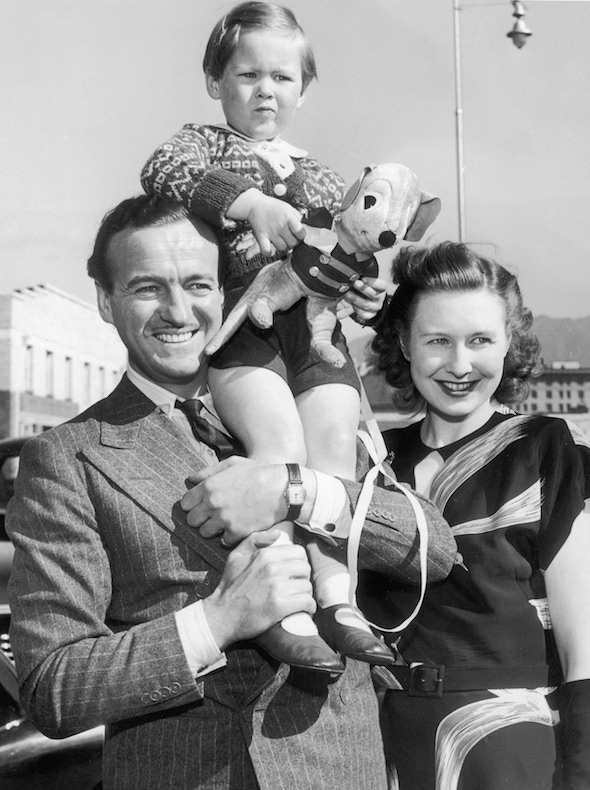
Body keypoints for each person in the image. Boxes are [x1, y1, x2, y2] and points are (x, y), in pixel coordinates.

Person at [6, 195, 457, 790]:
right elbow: (52, 687)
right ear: (104, 301)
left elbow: (433, 550)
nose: (177, 310)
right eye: (146, 288)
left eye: (197, 284)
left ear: (227, 292)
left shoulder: (314, 402)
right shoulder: (66, 458)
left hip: (337, 780)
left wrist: (296, 491)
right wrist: (219, 620)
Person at [140, 1, 416, 668]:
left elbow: (349, 253)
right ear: (215, 81)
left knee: (329, 456)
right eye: (247, 74)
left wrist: (370, 296)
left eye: (283, 78)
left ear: (304, 86)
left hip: (317, 335)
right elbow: (161, 170)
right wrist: (252, 204)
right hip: (246, 327)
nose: (266, 90)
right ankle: (283, 601)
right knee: (277, 450)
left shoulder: (324, 177)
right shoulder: (203, 146)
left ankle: (336, 594)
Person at [367, 241, 590, 790]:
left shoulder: (548, 451)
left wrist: (588, 781)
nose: (459, 364)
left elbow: (585, 643)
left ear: (509, 343)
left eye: (480, 341)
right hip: (377, 749)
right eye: (437, 341)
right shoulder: (368, 463)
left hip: (510, 750)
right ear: (403, 341)